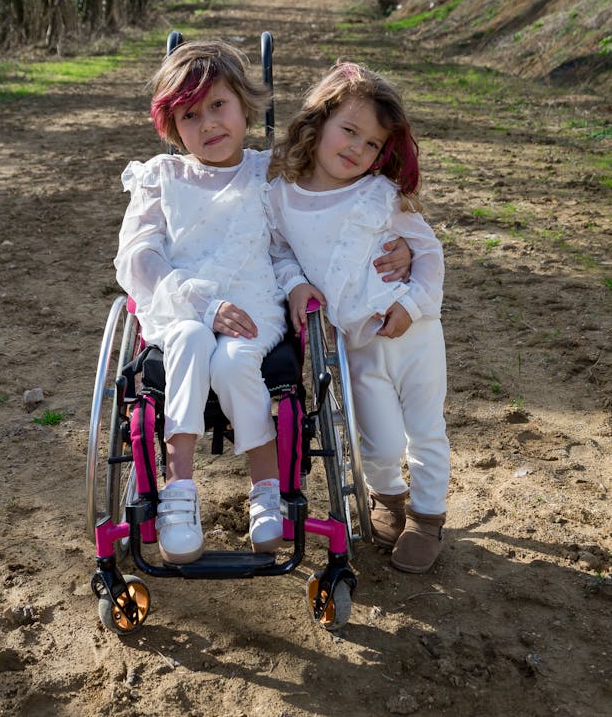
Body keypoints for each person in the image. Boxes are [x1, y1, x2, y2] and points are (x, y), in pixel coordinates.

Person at [114, 41, 411, 565]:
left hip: (255, 304)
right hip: (181, 304)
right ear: (171, 126)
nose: (207, 124)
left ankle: (266, 489)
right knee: (185, 337)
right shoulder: (161, 177)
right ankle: (178, 493)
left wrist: (395, 243)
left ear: (246, 105)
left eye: (218, 106)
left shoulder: (268, 173)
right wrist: (198, 303)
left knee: (233, 360)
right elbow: (138, 258)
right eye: (189, 115)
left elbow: (299, 239)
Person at [265, 61, 449, 574]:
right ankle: (387, 499)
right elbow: (279, 255)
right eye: (349, 131)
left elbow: (428, 254)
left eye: (371, 144)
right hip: (356, 343)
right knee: (381, 438)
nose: (357, 149)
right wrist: (297, 284)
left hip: (415, 333)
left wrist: (412, 306)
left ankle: (427, 518)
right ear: (317, 122)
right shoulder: (282, 197)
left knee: (426, 428)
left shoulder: (380, 195)